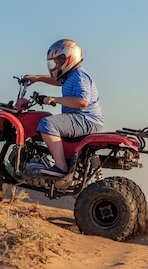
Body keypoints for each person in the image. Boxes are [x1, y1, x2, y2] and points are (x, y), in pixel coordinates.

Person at [25, 39, 104, 177]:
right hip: (82, 119)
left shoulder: (79, 75)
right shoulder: (71, 75)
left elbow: (82, 101)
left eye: (57, 61)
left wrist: (54, 99)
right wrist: (37, 78)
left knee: (47, 123)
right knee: (45, 119)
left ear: (67, 58)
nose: (55, 65)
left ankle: (60, 167)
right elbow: (57, 80)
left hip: (87, 119)